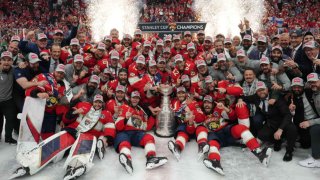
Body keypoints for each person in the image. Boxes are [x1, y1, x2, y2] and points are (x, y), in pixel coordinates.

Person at [10, 95, 116, 180]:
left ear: (102, 104)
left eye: (99, 102)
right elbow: (66, 119)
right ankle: (29, 163)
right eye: (96, 102)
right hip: (73, 131)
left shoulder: (106, 114)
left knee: (85, 146)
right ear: (93, 102)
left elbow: (110, 129)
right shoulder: (83, 106)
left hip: (88, 135)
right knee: (55, 142)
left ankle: (77, 166)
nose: (97, 104)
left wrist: (105, 139)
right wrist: (74, 112)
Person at [201, 95, 272, 175]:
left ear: (212, 104)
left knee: (240, 128)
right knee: (212, 143)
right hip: (214, 135)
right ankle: (215, 162)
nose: (207, 105)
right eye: (205, 103)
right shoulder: (199, 113)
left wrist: (224, 108)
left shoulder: (218, 109)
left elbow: (233, 116)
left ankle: (260, 153)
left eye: (209, 103)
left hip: (226, 131)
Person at [239, 81, 297, 161]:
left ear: (267, 89)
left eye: (263, 89)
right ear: (256, 92)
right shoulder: (256, 97)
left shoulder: (276, 98)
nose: (261, 92)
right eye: (259, 90)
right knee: (262, 135)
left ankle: (289, 151)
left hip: (283, 122)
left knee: (292, 129)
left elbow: (287, 115)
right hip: (271, 123)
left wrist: (280, 129)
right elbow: (244, 98)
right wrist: (240, 100)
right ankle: (277, 141)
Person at [114, 91, 168, 174]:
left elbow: (145, 127)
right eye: (133, 98)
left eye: (137, 98)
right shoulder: (124, 107)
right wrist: (125, 119)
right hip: (124, 132)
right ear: (130, 98)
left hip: (136, 134)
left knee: (149, 137)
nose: (135, 100)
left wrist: (154, 116)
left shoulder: (141, 111)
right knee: (124, 142)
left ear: (139, 100)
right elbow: (118, 126)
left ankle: (151, 158)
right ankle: (127, 159)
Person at [168, 87, 208, 160]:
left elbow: (200, 117)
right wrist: (189, 114)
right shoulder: (175, 103)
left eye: (182, 93)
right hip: (186, 126)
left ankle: (202, 146)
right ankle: (177, 148)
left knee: (201, 127)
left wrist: (188, 108)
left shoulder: (193, 102)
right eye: (179, 93)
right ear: (176, 94)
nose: (181, 95)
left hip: (196, 125)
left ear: (185, 94)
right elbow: (178, 116)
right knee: (181, 130)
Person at [298, 73, 320, 168]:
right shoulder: (314, 92)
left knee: (315, 129)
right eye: (310, 83)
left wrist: (309, 122)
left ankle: (316, 159)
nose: (312, 84)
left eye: (314, 82)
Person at [0, 51, 18, 144]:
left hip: (8, 100)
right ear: (0, 60)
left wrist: (22, 64)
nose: (6, 62)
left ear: (12, 61)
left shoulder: (14, 69)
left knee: (10, 119)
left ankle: (8, 137)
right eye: (4, 60)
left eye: (9, 60)